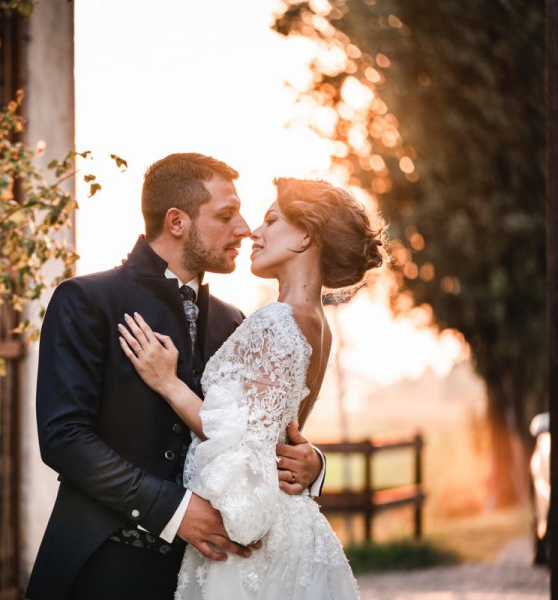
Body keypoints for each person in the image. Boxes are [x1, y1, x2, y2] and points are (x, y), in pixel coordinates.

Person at [25, 155, 326, 600]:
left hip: (199, 576)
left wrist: (313, 464)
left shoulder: (234, 321)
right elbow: (64, 438)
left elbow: (254, 434)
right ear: (177, 222)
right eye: (226, 216)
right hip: (99, 567)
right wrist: (175, 511)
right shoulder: (85, 300)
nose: (243, 229)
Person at [117, 177, 385, 599]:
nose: (253, 233)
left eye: (271, 220)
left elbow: (241, 438)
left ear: (307, 235)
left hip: (256, 535)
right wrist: (313, 462)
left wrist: (167, 383)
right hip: (294, 525)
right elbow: (282, 430)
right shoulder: (318, 324)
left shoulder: (277, 320)